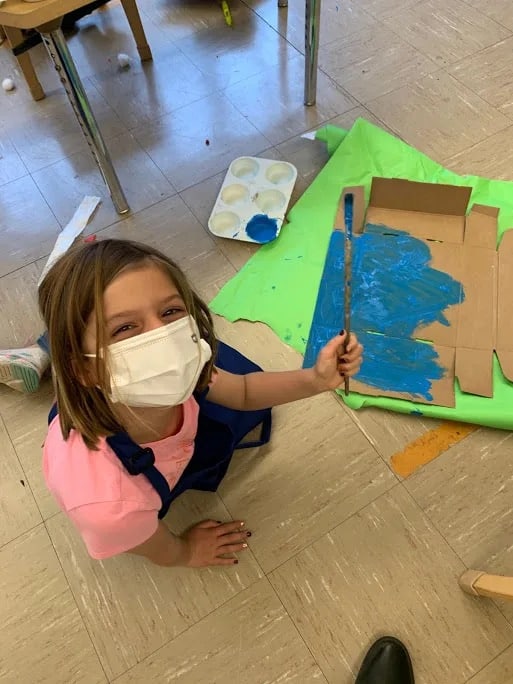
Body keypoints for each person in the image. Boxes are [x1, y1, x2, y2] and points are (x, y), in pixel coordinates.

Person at [38, 238, 363, 568]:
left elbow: (245, 391)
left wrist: (315, 380)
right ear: (84, 368)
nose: (164, 338)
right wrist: (186, 552)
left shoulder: (179, 369)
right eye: (124, 328)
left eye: (170, 311)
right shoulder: (108, 502)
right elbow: (147, 542)